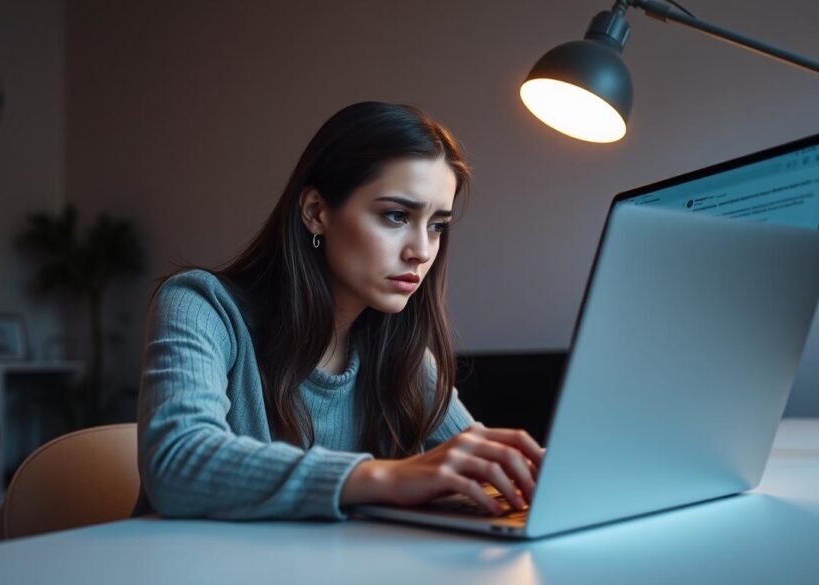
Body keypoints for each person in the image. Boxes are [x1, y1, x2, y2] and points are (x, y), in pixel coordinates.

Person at [134, 101, 544, 521]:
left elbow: (478, 469)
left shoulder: (402, 355)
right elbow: (176, 463)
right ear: (316, 213)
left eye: (437, 225)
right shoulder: (201, 307)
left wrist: (543, 475)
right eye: (396, 215)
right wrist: (387, 477)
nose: (422, 251)